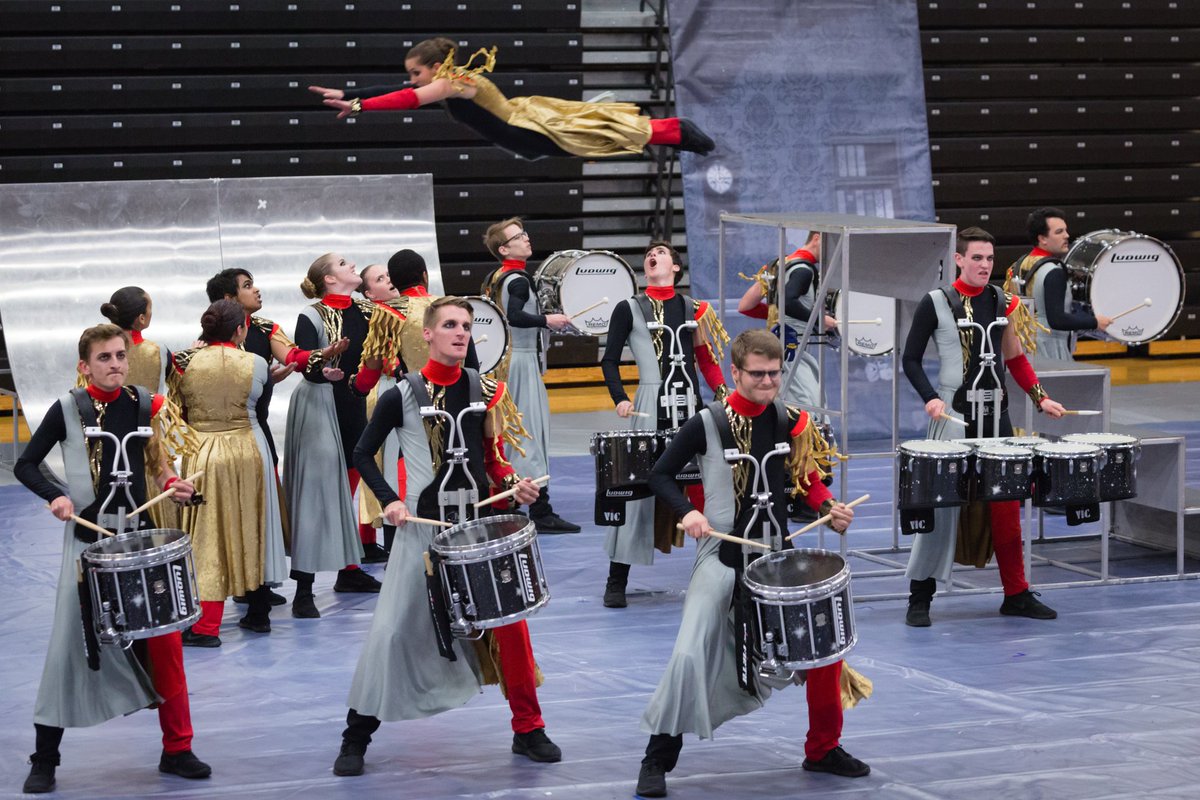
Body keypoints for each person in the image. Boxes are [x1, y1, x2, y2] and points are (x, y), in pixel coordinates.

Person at [634, 328, 868, 798]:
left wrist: (829, 507)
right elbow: (659, 475)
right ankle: (656, 758)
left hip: (775, 556)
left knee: (824, 651)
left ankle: (823, 749)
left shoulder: (790, 420)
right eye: (757, 374)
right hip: (721, 558)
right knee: (689, 654)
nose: (767, 382)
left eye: (774, 374)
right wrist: (688, 511)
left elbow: (806, 478)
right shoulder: (707, 422)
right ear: (735, 372)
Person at [335, 297, 561, 775]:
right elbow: (362, 453)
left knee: (512, 632)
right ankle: (355, 736)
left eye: (466, 326)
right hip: (423, 535)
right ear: (428, 334)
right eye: (450, 325)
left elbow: (492, 459)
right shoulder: (401, 395)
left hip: (478, 531)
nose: (461, 333)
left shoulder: (486, 390)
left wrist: (513, 485)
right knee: (394, 633)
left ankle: (529, 728)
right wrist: (389, 500)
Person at [14, 324, 210, 794]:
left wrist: (173, 485)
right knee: (70, 647)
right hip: (88, 544)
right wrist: (56, 496)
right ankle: (45, 758)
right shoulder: (67, 409)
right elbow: (25, 464)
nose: (116, 364)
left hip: (141, 542)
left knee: (166, 647)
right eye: (104, 357)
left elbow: (158, 467)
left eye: (120, 355)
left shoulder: (144, 404)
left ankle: (177, 749)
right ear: (84, 366)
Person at [901, 226, 1065, 627]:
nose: (985, 265)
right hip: (953, 417)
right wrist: (930, 398)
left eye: (990, 259)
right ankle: (920, 597)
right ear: (959, 259)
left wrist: (1040, 397)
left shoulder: (1004, 302)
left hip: (997, 417)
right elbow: (910, 359)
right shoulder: (936, 302)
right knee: (941, 506)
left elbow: (1015, 358)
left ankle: (1016, 594)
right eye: (977, 257)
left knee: (1006, 507)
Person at [310, 37, 715, 159]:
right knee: (593, 137)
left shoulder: (453, 81)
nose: (413, 80)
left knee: (593, 136)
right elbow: (399, 90)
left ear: (435, 66)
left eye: (417, 72)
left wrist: (358, 106)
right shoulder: (446, 81)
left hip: (525, 127)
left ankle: (676, 131)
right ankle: (673, 133)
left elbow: (406, 99)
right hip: (520, 126)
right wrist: (350, 94)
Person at [598, 240, 729, 608]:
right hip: (649, 401)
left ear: (676, 267)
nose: (652, 256)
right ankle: (616, 579)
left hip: (691, 404)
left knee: (709, 484)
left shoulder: (694, 309)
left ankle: (719, 568)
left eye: (661, 253)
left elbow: (705, 359)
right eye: (648, 254)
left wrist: (723, 394)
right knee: (634, 490)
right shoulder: (629, 308)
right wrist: (620, 398)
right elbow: (609, 360)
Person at [171, 300, 287, 646]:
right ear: (240, 330)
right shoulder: (257, 362)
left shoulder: (182, 362)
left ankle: (206, 626)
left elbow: (178, 411)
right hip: (250, 447)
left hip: (202, 450)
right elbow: (261, 409)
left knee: (208, 532)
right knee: (256, 525)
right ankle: (259, 613)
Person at [282, 253, 380, 620]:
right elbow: (306, 365)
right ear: (328, 279)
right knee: (314, 500)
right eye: (342, 263)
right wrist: (323, 366)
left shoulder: (367, 311)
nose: (351, 265)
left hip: (352, 404)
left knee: (347, 491)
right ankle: (303, 590)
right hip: (319, 404)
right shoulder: (311, 315)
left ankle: (349, 571)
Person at [480, 218, 580, 535]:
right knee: (530, 433)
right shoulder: (518, 281)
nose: (526, 239)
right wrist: (547, 320)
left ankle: (505, 502)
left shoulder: (494, 277)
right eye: (518, 236)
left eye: (525, 234)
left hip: (501, 362)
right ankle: (540, 508)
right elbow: (514, 316)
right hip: (520, 362)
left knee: (507, 434)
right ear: (504, 248)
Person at [99, 287, 179, 529]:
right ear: (141, 319)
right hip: (152, 441)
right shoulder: (158, 351)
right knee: (160, 507)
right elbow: (179, 388)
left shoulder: (97, 351)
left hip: (110, 441)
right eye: (150, 309)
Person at [737, 231, 836, 410]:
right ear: (817, 238)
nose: (833, 252)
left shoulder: (779, 265)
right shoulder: (804, 270)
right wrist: (819, 320)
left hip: (777, 346)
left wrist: (778, 316)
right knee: (809, 406)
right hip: (792, 348)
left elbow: (746, 305)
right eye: (832, 245)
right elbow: (788, 302)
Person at [1004, 207, 1112, 360]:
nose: (1066, 235)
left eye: (1065, 230)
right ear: (1042, 238)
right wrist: (1094, 322)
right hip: (1049, 348)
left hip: (1021, 345)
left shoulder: (1019, 264)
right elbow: (1057, 320)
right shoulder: (1054, 271)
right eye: (1059, 232)